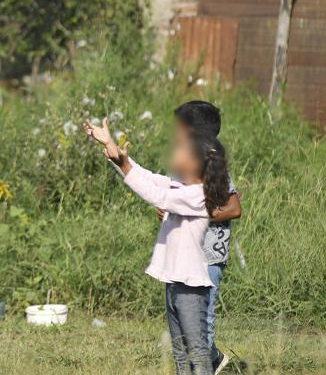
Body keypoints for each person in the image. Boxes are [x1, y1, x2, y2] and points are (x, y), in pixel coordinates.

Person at [85, 117, 230, 375]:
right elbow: (149, 178)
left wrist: (122, 162)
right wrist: (113, 151)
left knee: (196, 352)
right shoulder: (183, 185)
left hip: (190, 287)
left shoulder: (196, 194)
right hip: (175, 281)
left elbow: (155, 193)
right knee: (181, 353)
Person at [172, 101, 242, 374]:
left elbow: (234, 208)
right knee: (182, 318)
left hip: (209, 256)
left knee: (203, 320)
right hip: (183, 253)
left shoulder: (214, 164)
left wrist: (196, 214)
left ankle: (203, 364)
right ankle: (210, 358)